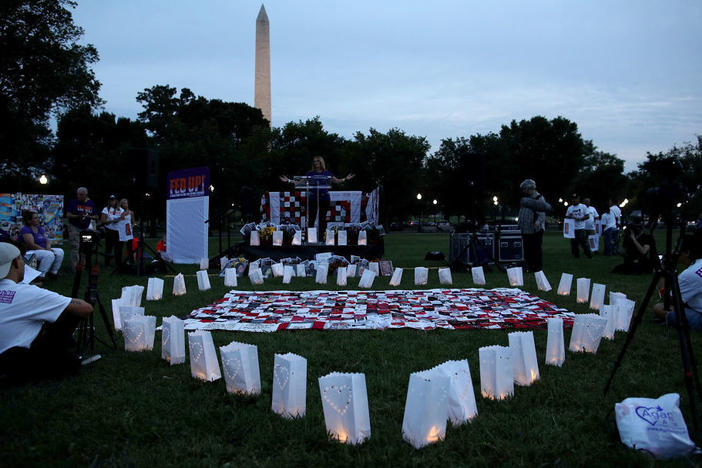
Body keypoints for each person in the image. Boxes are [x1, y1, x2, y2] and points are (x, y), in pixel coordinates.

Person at [0, 242, 94, 382]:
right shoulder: (28, 292)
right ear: (15, 263)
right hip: (11, 360)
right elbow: (85, 308)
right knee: (69, 311)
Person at [279, 156, 355, 239]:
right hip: (313, 198)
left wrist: (345, 179)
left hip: (324, 198)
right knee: (311, 219)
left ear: (321, 162)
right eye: (314, 161)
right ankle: (311, 238)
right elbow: (299, 183)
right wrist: (289, 180)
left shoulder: (326, 173)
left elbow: (336, 181)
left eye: (317, 161)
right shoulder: (310, 173)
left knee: (322, 219)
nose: (315, 163)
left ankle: (322, 238)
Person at [653, 232, 702, 330]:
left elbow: (667, 299)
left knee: (659, 308)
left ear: (687, 252)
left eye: (676, 249)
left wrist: (662, 272)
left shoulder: (690, 274)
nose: (673, 252)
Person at [517, 179, 551, 272]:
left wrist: (538, 221)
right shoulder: (526, 199)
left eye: (525, 189)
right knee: (527, 249)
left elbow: (542, 212)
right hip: (526, 229)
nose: (524, 191)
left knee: (536, 248)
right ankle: (529, 265)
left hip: (535, 229)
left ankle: (537, 267)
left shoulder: (539, 198)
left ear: (530, 188)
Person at [19, 210, 64, 279]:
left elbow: (47, 241)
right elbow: (31, 244)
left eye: (37, 217)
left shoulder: (39, 228)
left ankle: (53, 273)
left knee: (60, 251)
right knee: (49, 255)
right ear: (29, 221)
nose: (38, 219)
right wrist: (46, 250)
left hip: (42, 249)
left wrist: (48, 248)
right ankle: (40, 276)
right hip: (30, 251)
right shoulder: (25, 229)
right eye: (35, 218)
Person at [65, 187, 99, 269]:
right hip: (74, 227)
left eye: (81, 195)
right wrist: (78, 216)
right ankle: (75, 267)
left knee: (85, 246)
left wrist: (89, 216)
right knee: (75, 246)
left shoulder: (91, 204)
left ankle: (83, 266)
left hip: (86, 228)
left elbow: (97, 216)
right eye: (78, 194)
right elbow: (68, 215)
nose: (79, 196)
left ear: (85, 195)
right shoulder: (73, 202)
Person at [100, 195, 125, 267]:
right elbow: (103, 221)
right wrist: (112, 221)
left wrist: (119, 220)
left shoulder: (121, 210)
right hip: (109, 230)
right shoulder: (106, 209)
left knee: (119, 247)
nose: (112, 202)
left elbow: (123, 220)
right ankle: (107, 263)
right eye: (110, 200)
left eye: (113, 200)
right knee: (109, 247)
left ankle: (118, 263)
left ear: (116, 201)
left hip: (119, 231)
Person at [565, 193, 592, 258]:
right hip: (573, 228)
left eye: (575, 199)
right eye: (573, 199)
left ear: (578, 199)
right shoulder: (570, 208)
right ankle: (576, 255)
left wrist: (580, 219)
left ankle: (588, 253)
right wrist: (570, 216)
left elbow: (587, 216)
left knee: (583, 242)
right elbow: (567, 218)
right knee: (574, 243)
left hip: (581, 228)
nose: (574, 200)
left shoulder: (583, 206)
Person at [118, 198, 135, 263]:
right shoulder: (119, 212)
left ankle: (131, 261)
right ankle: (119, 261)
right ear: (121, 204)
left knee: (130, 247)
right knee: (120, 247)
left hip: (128, 232)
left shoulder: (131, 212)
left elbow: (133, 222)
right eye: (124, 203)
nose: (126, 205)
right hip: (121, 232)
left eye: (126, 203)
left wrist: (131, 227)